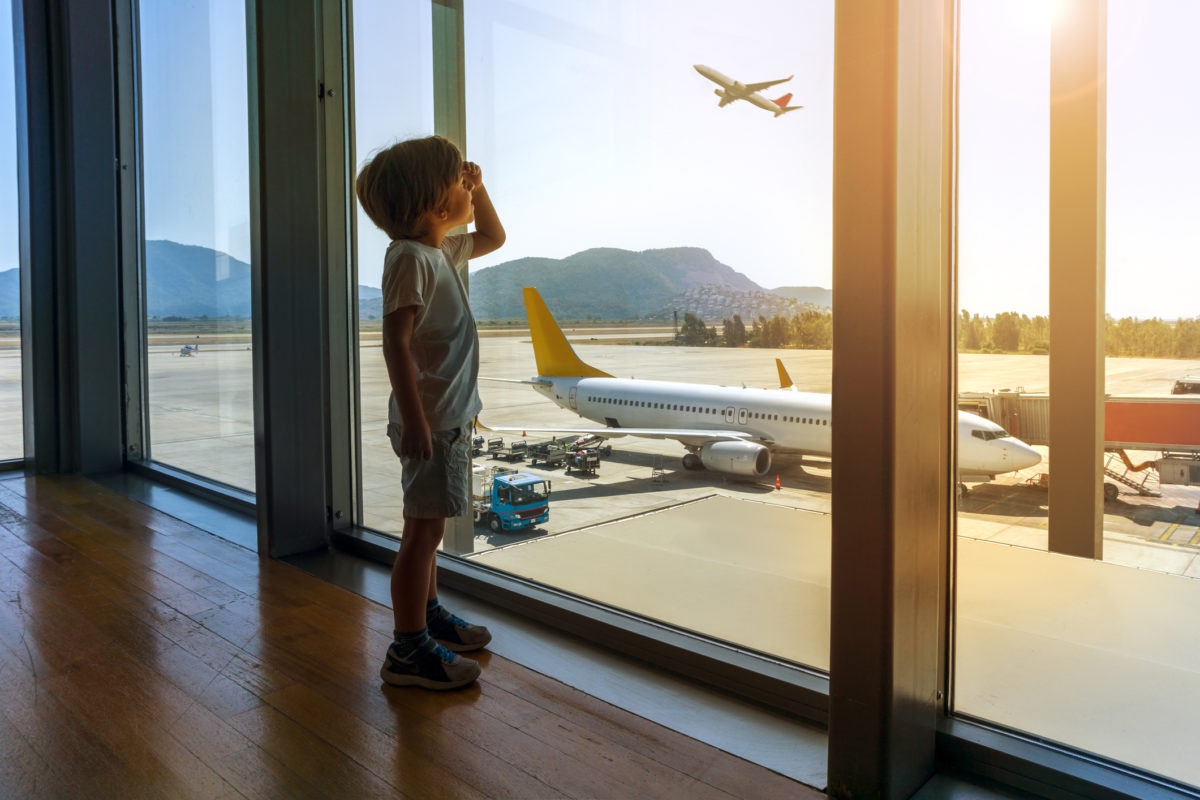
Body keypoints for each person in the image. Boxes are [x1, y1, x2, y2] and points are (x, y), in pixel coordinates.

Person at [355, 136, 506, 689]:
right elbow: (395, 342)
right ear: (434, 207)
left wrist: (481, 189)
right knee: (422, 535)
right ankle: (408, 650)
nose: (466, 185)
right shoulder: (411, 258)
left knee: (430, 530)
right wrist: (417, 421)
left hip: (445, 417)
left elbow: (494, 235)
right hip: (432, 422)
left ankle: (430, 614)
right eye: (458, 182)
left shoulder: (440, 249)